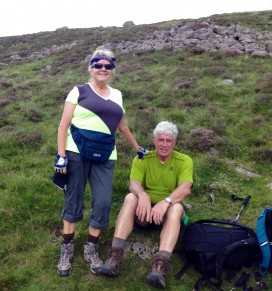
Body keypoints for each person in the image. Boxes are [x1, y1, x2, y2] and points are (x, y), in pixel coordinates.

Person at [54, 48, 148, 277]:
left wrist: (136, 147)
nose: (103, 69)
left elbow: (121, 125)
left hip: (106, 154)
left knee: (104, 201)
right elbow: (64, 124)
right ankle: (66, 249)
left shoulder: (117, 94)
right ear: (91, 68)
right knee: (74, 198)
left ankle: (91, 247)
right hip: (76, 150)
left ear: (112, 70)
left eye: (108, 66)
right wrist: (61, 155)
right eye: (98, 65)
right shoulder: (78, 91)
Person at [98, 121, 193, 289]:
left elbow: (185, 189)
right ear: (154, 141)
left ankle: (159, 267)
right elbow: (133, 183)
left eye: (169, 140)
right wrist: (142, 195)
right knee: (130, 198)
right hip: (145, 214)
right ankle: (114, 257)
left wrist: (166, 202)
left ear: (175, 143)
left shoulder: (184, 160)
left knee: (177, 208)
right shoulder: (142, 158)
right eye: (161, 140)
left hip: (168, 215)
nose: (164, 144)